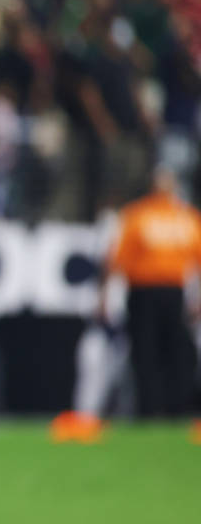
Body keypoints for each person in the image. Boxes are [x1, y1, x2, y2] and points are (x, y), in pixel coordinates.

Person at [97, 167, 201, 439]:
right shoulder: (140, 215)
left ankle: (177, 410)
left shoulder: (185, 217)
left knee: (176, 353)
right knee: (146, 354)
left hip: (172, 291)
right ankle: (150, 412)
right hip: (143, 292)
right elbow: (117, 259)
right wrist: (105, 294)